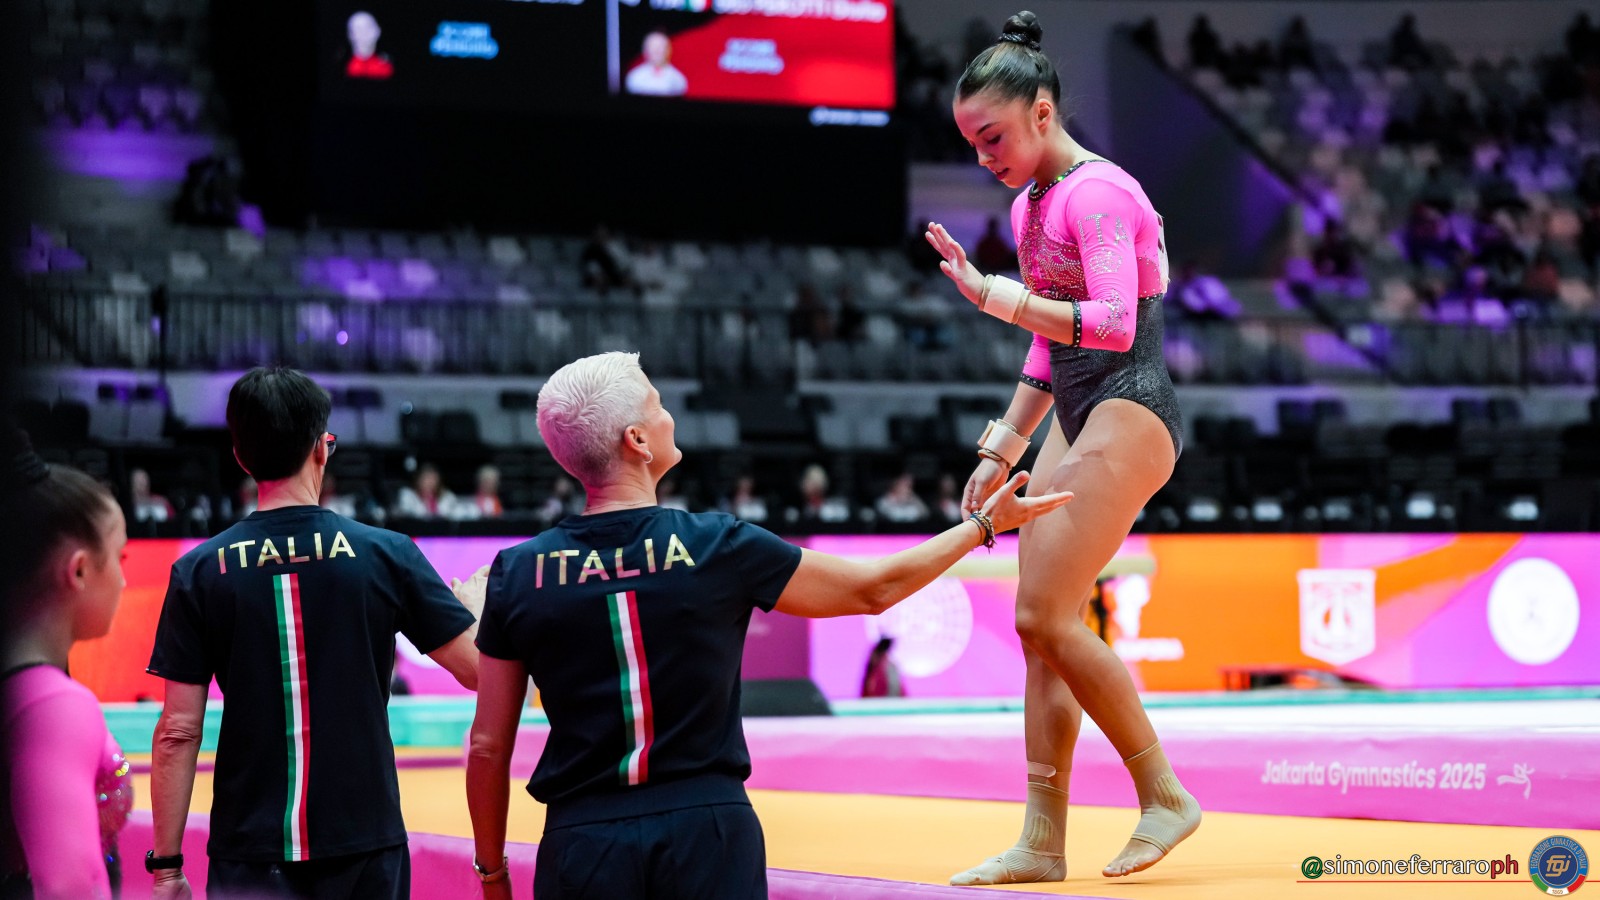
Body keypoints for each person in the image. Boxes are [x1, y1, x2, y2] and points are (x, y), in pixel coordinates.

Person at [462, 352, 1073, 900]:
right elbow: (874, 588)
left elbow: (488, 745)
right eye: (658, 404)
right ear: (637, 440)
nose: (670, 416)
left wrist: (491, 874)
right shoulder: (717, 544)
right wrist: (981, 528)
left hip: (581, 842)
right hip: (707, 828)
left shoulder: (518, 571)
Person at [924, 11, 1202, 884]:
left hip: (1133, 408)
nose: (984, 158)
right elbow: (1051, 347)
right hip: (1078, 412)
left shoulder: (1100, 194)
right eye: (971, 144)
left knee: (1041, 615)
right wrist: (1002, 446)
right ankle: (1042, 842)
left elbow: (1112, 327)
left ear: (1042, 112)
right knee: (1044, 630)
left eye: (993, 137)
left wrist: (995, 297)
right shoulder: (1030, 204)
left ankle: (1165, 794)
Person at [145, 367, 483, 900]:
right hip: (364, 843)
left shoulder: (199, 571)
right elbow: (480, 672)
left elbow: (177, 732)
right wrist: (477, 613)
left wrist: (166, 869)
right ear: (322, 449)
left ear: (240, 457)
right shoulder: (387, 554)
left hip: (248, 849)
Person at [1, 432, 131, 900]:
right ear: (78, 570)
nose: (124, 580)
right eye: (119, 558)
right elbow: (70, 887)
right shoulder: (55, 707)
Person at [625, 31, 688, 97]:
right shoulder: (634, 76)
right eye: (653, 47)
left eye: (661, 47)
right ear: (645, 50)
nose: (657, 51)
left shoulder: (678, 79)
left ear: (668, 50)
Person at [392, 462, 458, 520]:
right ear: (418, 479)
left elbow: (454, 514)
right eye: (427, 478)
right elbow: (407, 514)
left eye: (433, 479)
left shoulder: (447, 496)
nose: (430, 482)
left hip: (440, 529)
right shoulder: (407, 494)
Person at [345, 12, 393, 80]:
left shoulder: (385, 66)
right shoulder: (349, 66)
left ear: (377, 31)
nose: (363, 34)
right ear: (350, 35)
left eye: (368, 28)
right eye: (358, 29)